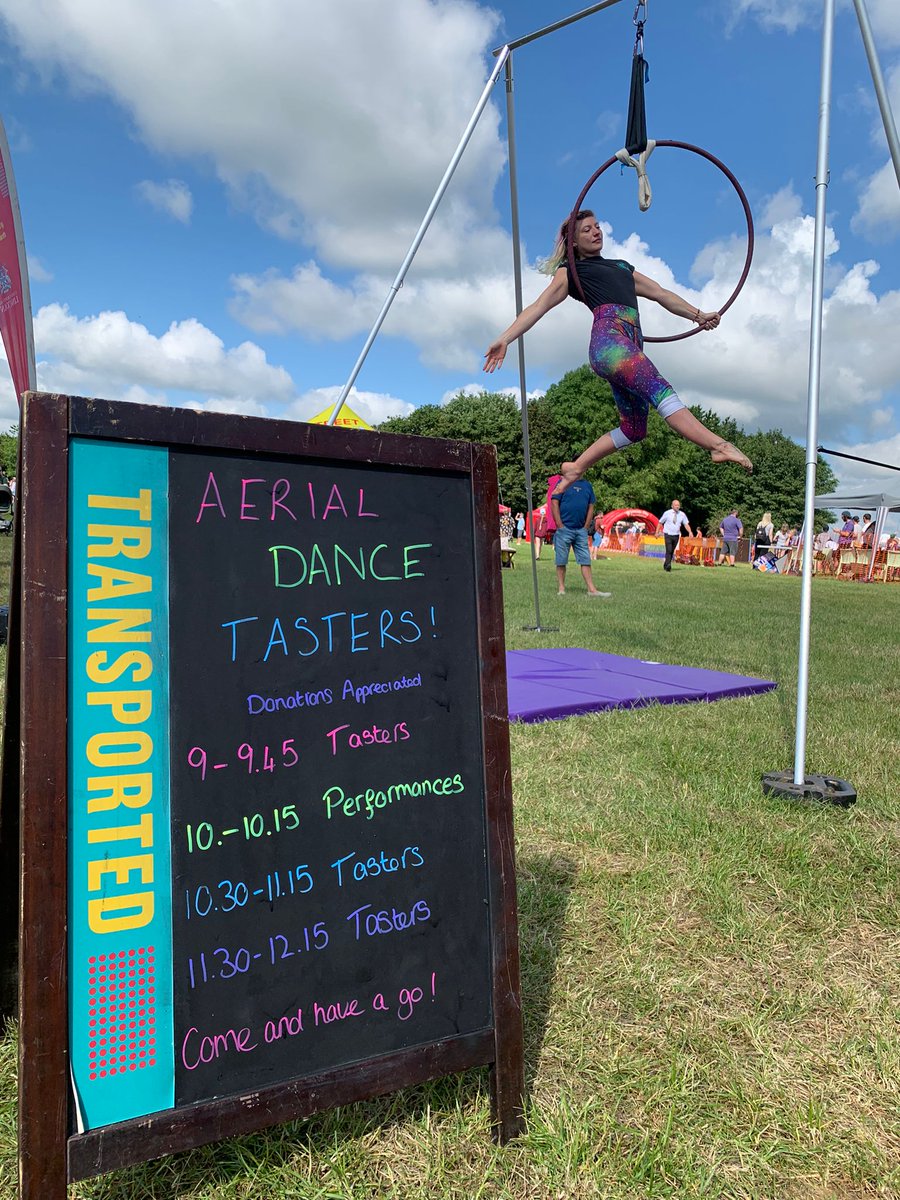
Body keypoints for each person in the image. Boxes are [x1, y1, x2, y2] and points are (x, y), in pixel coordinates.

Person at [484, 209, 752, 494]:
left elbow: (662, 293)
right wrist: (506, 338)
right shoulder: (571, 271)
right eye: (586, 230)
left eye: (597, 226)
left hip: (630, 342)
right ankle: (717, 445)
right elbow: (539, 307)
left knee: (635, 429)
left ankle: (577, 466)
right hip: (609, 342)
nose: (595, 232)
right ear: (573, 242)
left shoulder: (622, 267)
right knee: (659, 390)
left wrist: (698, 315)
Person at [550, 472, 610, 597]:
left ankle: (592, 589)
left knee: (585, 560)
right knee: (561, 560)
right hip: (564, 529)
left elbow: (591, 506)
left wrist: (586, 526)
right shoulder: (562, 483)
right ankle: (561, 589)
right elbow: (554, 502)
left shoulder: (587, 486)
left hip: (581, 530)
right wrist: (559, 525)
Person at [658, 499, 693, 572]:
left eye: (678, 505)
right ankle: (668, 565)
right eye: (676, 505)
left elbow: (686, 524)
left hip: (676, 535)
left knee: (672, 550)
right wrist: (656, 532)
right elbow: (660, 522)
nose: (677, 506)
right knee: (669, 549)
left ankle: (666, 564)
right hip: (667, 534)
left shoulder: (682, 514)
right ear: (672, 506)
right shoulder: (667, 513)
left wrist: (690, 532)